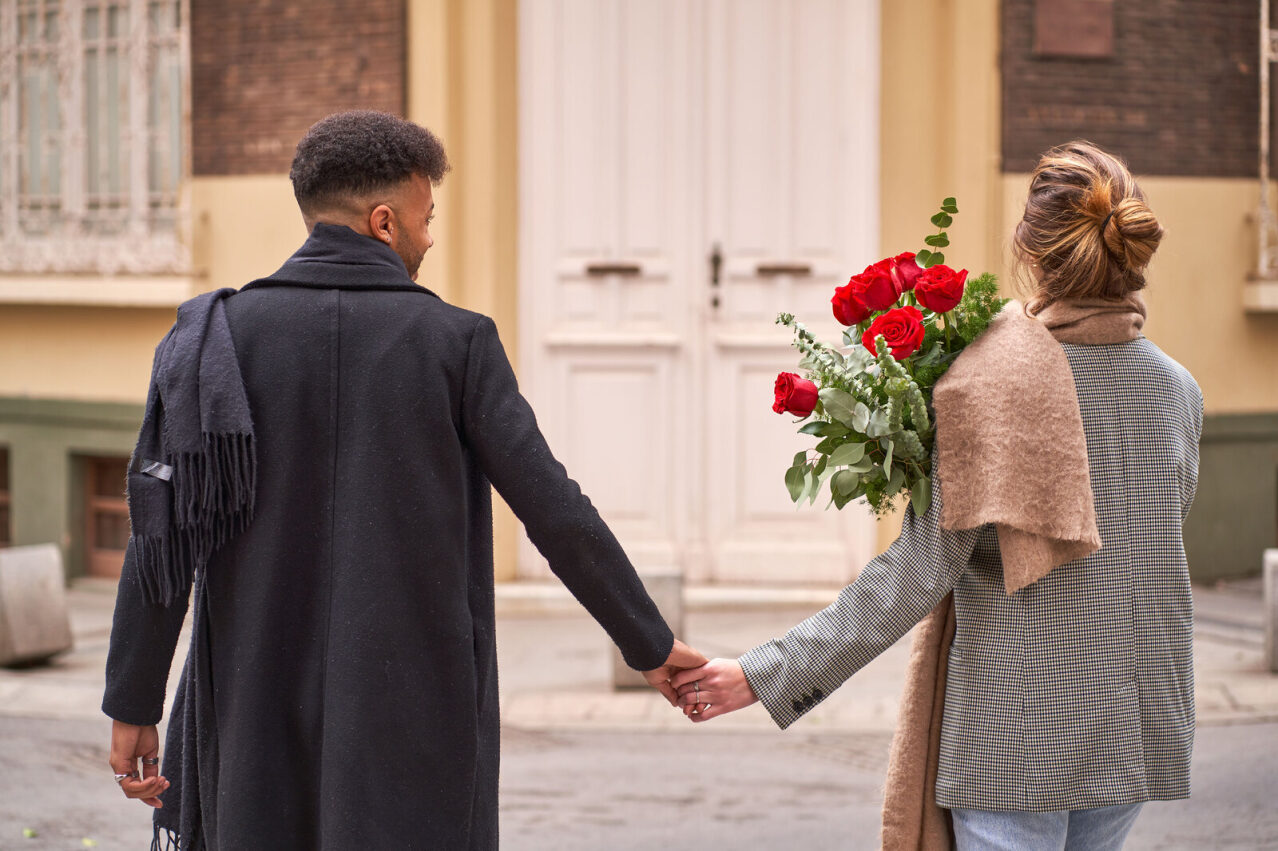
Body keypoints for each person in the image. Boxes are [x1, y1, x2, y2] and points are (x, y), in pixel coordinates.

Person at [102, 110, 705, 850]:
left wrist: (133, 702)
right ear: (383, 222)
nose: (429, 238)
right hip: (416, 702)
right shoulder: (457, 343)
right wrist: (646, 640)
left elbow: (158, 531)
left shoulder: (213, 340)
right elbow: (555, 511)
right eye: (425, 218)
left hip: (250, 693)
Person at [673, 141, 1203, 851]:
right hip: (1134, 733)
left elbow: (915, 574)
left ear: (1032, 250)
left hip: (1014, 744)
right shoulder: (1178, 392)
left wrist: (764, 674)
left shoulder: (991, 380)